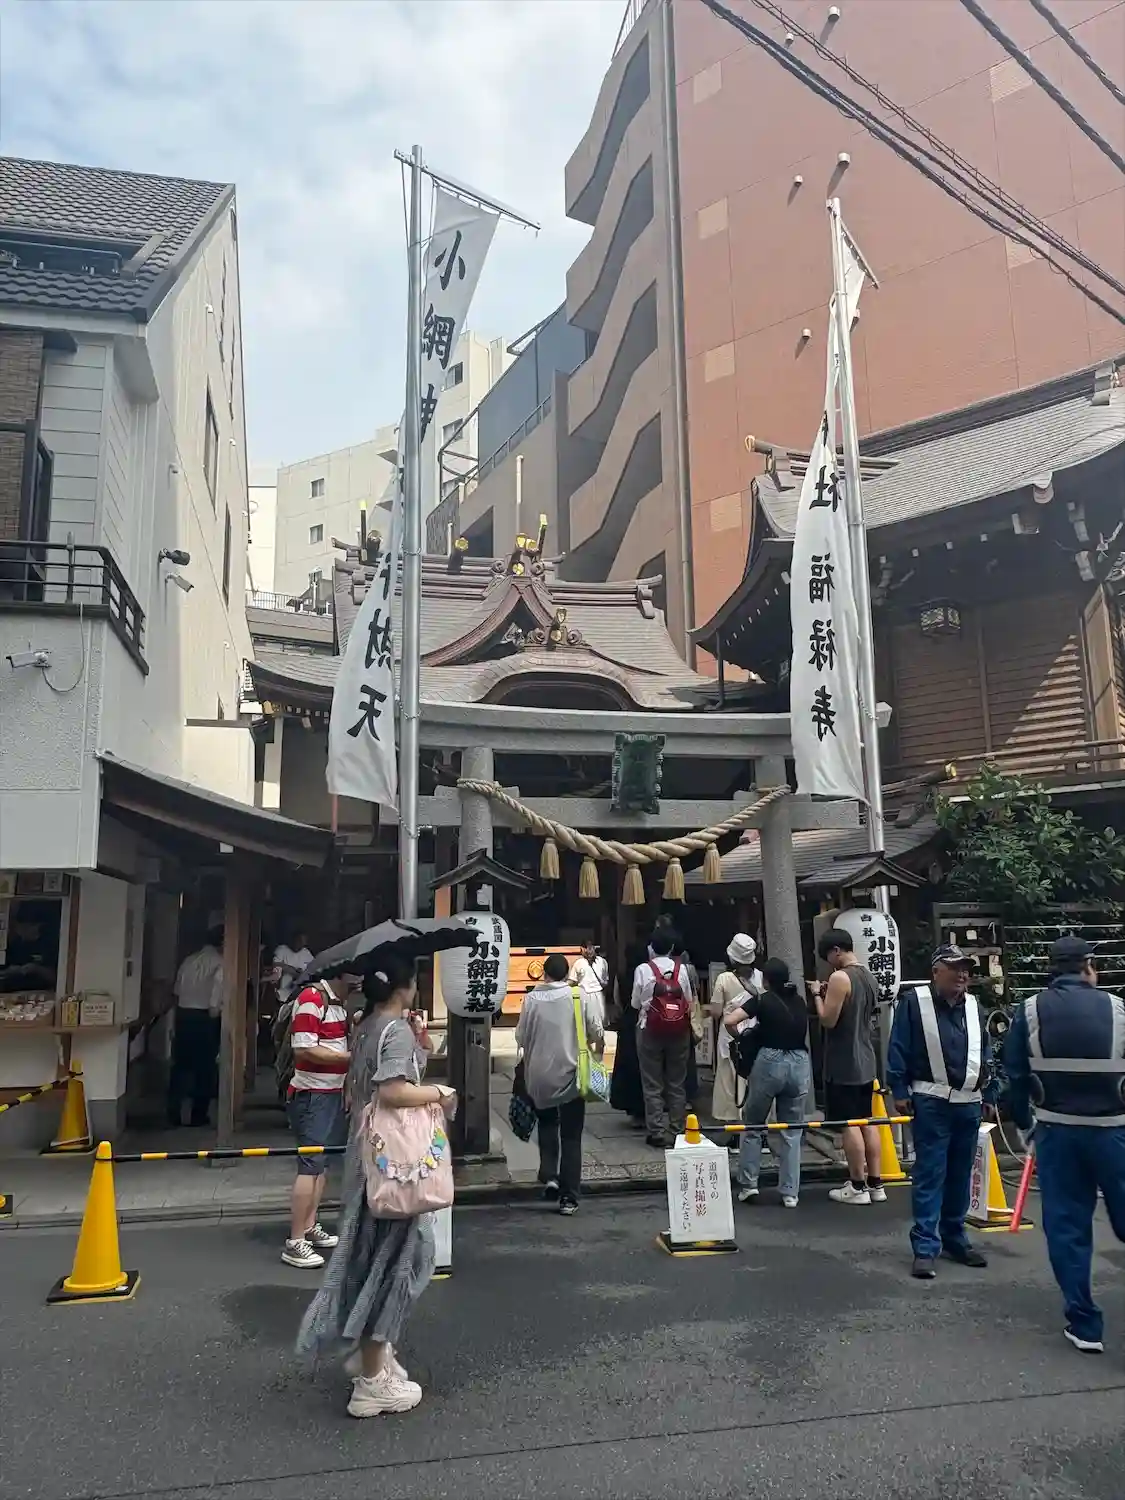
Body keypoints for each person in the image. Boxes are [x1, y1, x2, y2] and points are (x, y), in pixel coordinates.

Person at [297, 956, 455, 1417]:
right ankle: (372, 1379)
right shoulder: (395, 1029)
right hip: (394, 1167)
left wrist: (417, 1040)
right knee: (397, 1262)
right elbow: (393, 1090)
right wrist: (440, 1093)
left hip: (367, 1157)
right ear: (407, 985)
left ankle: (375, 1357)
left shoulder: (365, 1026)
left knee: (373, 1257)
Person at [1003, 935, 1125, 1353]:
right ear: (1088, 966)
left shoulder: (1030, 1011)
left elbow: (1015, 1077)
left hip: (1057, 1134)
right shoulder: (1118, 1009)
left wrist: (1026, 1128)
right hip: (1114, 1132)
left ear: (1051, 969)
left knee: (1068, 1229)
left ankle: (1086, 1326)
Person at [888, 945, 994, 1279]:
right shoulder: (914, 1003)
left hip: (969, 1102)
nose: (962, 974)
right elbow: (898, 1046)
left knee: (961, 1174)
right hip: (931, 1101)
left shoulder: (974, 1006)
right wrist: (899, 1089)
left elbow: (985, 1051)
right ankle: (925, 1247)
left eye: (965, 968)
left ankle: (954, 1237)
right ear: (936, 971)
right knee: (931, 1174)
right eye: (955, 967)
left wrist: (990, 1092)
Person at [516, 951, 604, 1215]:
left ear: (544, 974)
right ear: (567, 974)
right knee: (571, 1135)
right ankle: (569, 1197)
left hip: (539, 1076)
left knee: (546, 1123)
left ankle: (550, 1176)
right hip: (572, 1075)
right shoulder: (578, 996)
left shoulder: (531, 999)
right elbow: (595, 1030)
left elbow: (520, 1036)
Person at [725, 956, 811, 1206]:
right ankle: (790, 1193)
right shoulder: (799, 1001)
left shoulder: (762, 1000)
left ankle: (749, 1185)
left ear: (766, 980)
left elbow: (730, 1020)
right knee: (792, 1131)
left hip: (770, 1061)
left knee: (753, 1125)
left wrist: (741, 1037)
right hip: (799, 1062)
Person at [282, 972, 353, 1268]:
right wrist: (349, 1059)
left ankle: (309, 1225)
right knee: (310, 1165)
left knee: (321, 1164)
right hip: (312, 1093)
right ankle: (295, 1240)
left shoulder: (337, 1004)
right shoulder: (312, 998)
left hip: (331, 1091)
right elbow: (304, 1047)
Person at [813, 928, 883, 1205]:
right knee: (867, 1119)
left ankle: (857, 1185)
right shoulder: (869, 976)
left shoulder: (840, 977)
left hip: (845, 1059)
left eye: (828, 957)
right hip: (866, 1057)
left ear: (836, 951)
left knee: (849, 1122)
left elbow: (828, 1020)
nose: (829, 963)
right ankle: (876, 1183)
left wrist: (817, 995)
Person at [632, 928, 694, 1148]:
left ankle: (656, 1131)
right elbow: (688, 999)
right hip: (678, 1029)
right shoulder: (682, 969)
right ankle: (677, 1128)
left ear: (651, 947)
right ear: (671, 948)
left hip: (649, 1028)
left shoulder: (642, 969)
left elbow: (635, 1003)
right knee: (677, 1082)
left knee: (652, 1082)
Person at [167, 925, 223, 1128]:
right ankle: (198, 1115)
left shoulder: (188, 960)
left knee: (181, 1066)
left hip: (183, 1015)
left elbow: (177, 991)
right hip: (204, 1017)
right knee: (205, 1069)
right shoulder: (220, 963)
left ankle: (172, 1113)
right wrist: (215, 1011)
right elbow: (217, 993)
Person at [710, 934, 763, 1123]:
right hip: (756, 1032)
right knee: (755, 1075)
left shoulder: (723, 979)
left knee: (729, 1076)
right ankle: (756, 1120)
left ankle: (732, 1121)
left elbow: (716, 1012)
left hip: (730, 1033)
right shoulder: (761, 977)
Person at [609, 940, 647, 1124]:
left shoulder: (622, 976)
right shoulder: (648, 973)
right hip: (645, 1021)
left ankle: (633, 1110)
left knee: (628, 1065)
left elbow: (617, 1000)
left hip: (627, 1022)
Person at [569, 941, 609, 1030]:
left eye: (590, 947)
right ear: (582, 949)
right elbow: (572, 980)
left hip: (598, 995)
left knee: (599, 1023)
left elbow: (605, 980)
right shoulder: (578, 963)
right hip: (584, 995)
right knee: (586, 1023)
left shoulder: (602, 962)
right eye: (586, 948)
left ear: (594, 948)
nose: (589, 950)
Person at [273, 929, 314, 1007]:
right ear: (294, 940)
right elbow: (275, 964)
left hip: (300, 984)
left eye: (303, 943)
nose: (301, 945)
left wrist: (300, 972)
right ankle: (282, 998)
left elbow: (312, 968)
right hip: (283, 981)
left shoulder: (306, 953)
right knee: (287, 977)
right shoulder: (282, 949)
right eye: (299, 941)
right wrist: (292, 970)